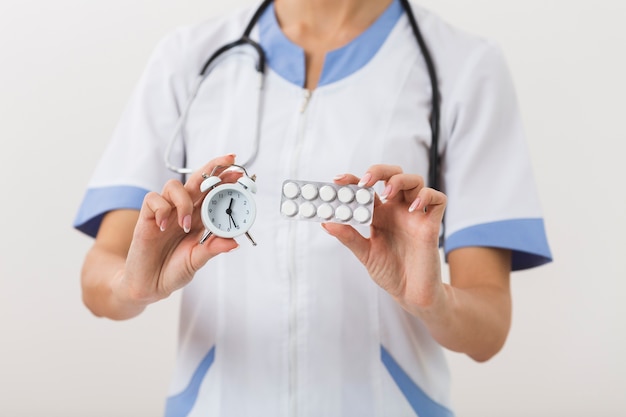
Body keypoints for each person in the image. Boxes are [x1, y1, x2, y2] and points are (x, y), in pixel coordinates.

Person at [74, 0, 552, 416]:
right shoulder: (190, 58)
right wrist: (133, 287)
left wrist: (433, 302)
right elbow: (100, 277)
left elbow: (488, 327)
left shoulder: (465, 67)